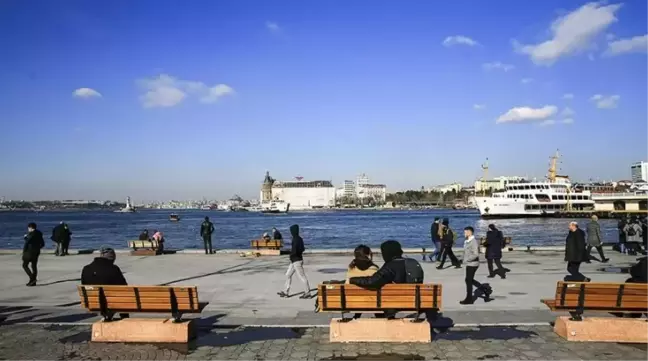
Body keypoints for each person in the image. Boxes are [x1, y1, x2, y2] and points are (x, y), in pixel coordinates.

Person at [350, 240, 424, 318]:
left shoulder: (390, 266)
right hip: (415, 300)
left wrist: (353, 280)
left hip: (395, 303)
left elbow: (372, 281)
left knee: (379, 297)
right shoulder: (413, 262)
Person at [81, 247, 129, 319]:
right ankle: (124, 318)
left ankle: (107, 317)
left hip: (92, 302)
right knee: (124, 295)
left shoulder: (86, 268)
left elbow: (84, 284)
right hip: (111, 301)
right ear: (112, 258)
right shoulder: (113, 268)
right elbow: (124, 286)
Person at [278, 224, 312, 299]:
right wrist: (295, 254)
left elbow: (294, 251)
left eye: (291, 231)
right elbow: (303, 249)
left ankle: (307, 293)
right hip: (295, 260)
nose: (291, 232)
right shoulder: (300, 239)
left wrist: (292, 255)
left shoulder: (295, 239)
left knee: (302, 277)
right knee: (288, 275)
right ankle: (285, 292)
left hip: (296, 261)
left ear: (293, 231)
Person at [346, 245, 379, 319]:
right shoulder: (374, 268)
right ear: (368, 255)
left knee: (360, 295)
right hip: (372, 301)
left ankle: (356, 316)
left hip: (354, 301)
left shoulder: (351, 268)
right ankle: (380, 316)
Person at [460, 226, 492, 305]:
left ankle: (469, 299)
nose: (464, 233)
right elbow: (465, 252)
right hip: (469, 263)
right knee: (469, 280)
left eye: (465, 232)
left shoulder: (473, 241)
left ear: (469, 232)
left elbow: (475, 254)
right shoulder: (467, 241)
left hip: (473, 264)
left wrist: (467, 259)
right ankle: (485, 290)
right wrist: (462, 259)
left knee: (468, 281)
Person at [23, 222, 45, 286]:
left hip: (30, 252)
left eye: (28, 228)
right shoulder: (39, 233)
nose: (28, 229)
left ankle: (32, 278)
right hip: (37, 252)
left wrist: (25, 238)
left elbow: (27, 242)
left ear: (31, 228)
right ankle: (33, 282)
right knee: (34, 266)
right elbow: (43, 244)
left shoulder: (31, 234)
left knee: (25, 265)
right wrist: (38, 248)